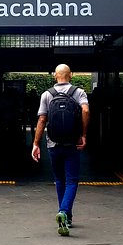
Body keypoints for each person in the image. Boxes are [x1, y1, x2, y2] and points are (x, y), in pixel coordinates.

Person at [32, 64, 90, 236]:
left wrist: (36, 143)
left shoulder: (46, 94)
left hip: (53, 144)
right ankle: (64, 212)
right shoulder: (79, 92)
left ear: (54, 76)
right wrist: (83, 134)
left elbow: (42, 120)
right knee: (72, 181)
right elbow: (86, 110)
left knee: (59, 180)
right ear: (70, 75)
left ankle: (66, 216)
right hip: (72, 143)